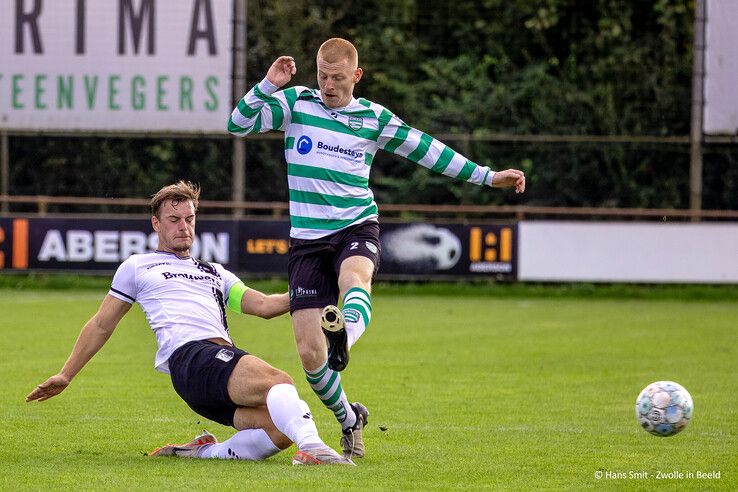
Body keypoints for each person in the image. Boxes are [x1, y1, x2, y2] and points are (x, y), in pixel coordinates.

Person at [228, 38, 526, 459]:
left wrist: (486, 176)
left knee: (355, 277)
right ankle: (350, 418)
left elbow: (426, 150)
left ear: (356, 75)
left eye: (337, 78)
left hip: (355, 224)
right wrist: (268, 84)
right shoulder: (296, 104)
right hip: (307, 242)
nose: (328, 86)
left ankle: (343, 335)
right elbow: (237, 125)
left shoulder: (373, 118)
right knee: (310, 356)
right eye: (322, 76)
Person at [26, 181, 353, 466]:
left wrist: (312, 291)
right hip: (191, 358)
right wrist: (66, 374)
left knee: (280, 428)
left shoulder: (215, 272)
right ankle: (312, 448)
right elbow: (101, 324)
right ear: (156, 223)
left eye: (189, 219)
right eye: (174, 220)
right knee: (278, 381)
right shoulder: (138, 267)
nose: (184, 226)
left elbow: (265, 306)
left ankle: (201, 453)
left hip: (212, 370)